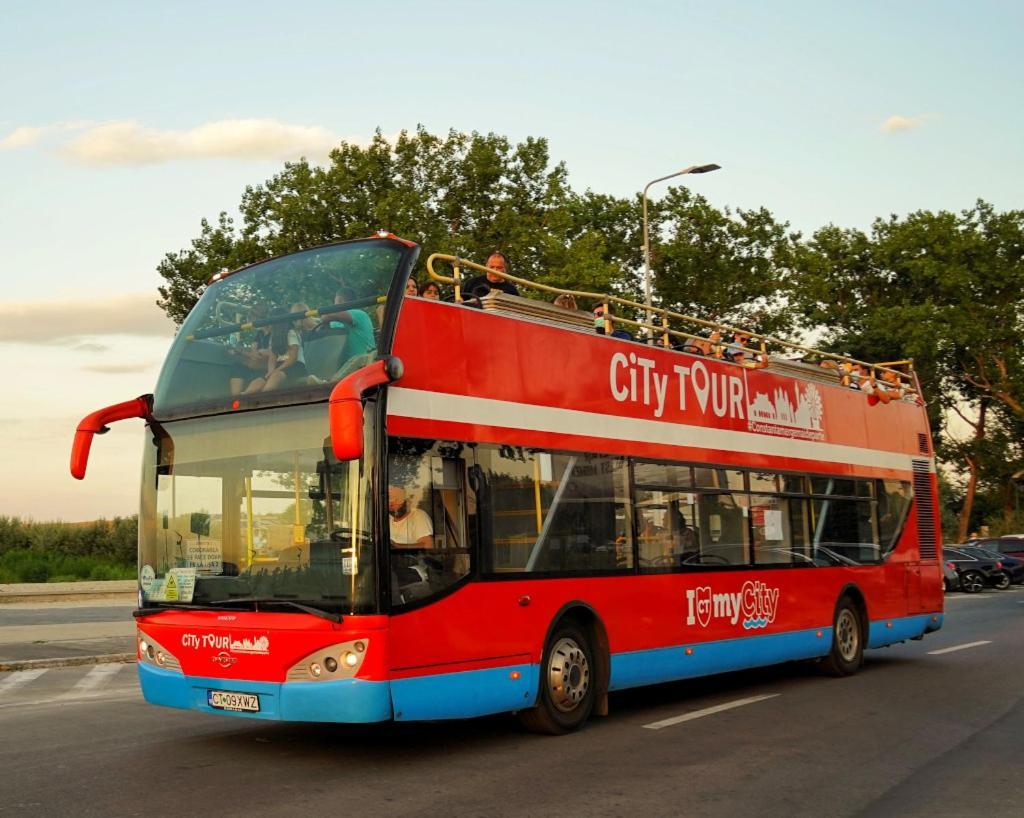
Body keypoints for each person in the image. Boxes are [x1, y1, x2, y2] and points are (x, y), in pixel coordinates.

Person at [228, 303, 272, 395]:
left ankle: (244, 397)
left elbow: (268, 354)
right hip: (256, 365)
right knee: (238, 366)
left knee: (259, 373)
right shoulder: (260, 333)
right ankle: (235, 397)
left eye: (253, 317)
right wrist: (242, 352)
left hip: (268, 367)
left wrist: (242, 352)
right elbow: (253, 350)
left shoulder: (274, 333)